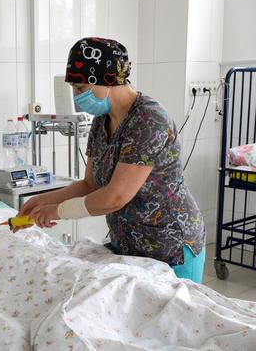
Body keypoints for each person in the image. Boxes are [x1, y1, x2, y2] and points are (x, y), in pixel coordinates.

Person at [20, 37, 206, 283]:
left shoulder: (148, 120)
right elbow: (89, 185)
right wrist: (40, 201)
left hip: (169, 247)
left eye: (80, 88)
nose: (76, 97)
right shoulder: (102, 121)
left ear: (106, 79)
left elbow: (115, 197)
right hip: (128, 248)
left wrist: (57, 211)